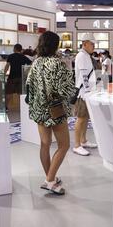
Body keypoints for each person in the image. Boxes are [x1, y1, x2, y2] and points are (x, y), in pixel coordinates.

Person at [26, 31, 76, 195]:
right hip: (55, 110)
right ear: (56, 45)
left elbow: (29, 87)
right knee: (64, 145)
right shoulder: (57, 64)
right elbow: (65, 89)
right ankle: (49, 180)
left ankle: (50, 178)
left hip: (39, 109)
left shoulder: (36, 62)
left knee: (45, 144)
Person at [73, 33, 98, 156]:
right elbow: (84, 76)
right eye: (92, 44)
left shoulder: (86, 55)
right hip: (83, 93)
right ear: (85, 44)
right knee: (81, 119)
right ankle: (77, 145)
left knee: (85, 118)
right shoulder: (82, 56)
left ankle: (83, 141)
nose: (94, 46)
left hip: (87, 93)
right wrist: (88, 91)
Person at [4, 44, 32, 110]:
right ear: (21, 49)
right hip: (21, 78)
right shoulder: (23, 57)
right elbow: (31, 63)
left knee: (9, 93)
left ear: (15, 49)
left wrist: (4, 74)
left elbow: (7, 66)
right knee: (21, 94)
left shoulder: (10, 56)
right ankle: (23, 109)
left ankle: (5, 108)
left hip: (12, 77)